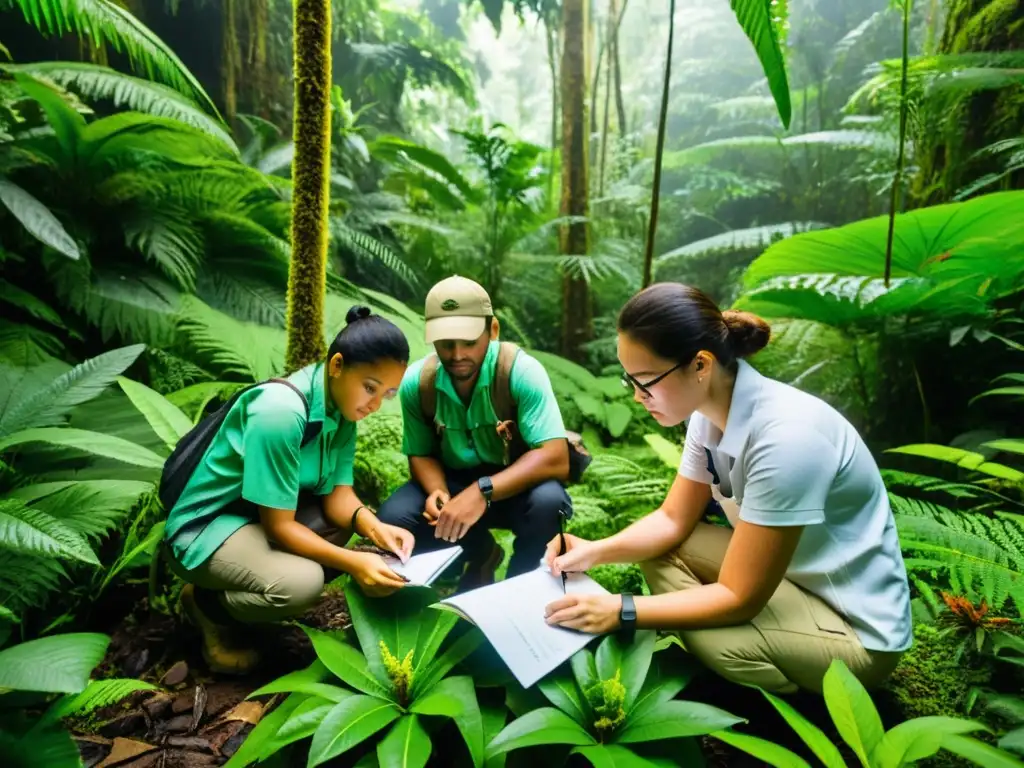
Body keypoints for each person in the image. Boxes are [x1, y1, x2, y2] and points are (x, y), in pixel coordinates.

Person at [542, 283, 913, 695]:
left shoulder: (787, 438)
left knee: (717, 642)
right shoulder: (706, 414)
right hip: (789, 580)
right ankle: (719, 625)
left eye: (647, 381)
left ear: (701, 365)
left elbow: (741, 597)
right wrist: (595, 551)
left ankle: (785, 708)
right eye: (630, 380)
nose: (636, 397)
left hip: (855, 629)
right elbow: (672, 520)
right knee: (663, 547)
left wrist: (622, 610)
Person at [163, 306, 416, 674]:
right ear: (337, 365)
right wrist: (356, 562)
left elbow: (338, 497)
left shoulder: (342, 410)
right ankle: (206, 607)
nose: (375, 404)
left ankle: (249, 596)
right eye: (370, 387)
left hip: (250, 518)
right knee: (303, 584)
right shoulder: (280, 412)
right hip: (204, 528)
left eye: (387, 394)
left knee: (340, 526)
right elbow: (279, 527)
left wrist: (376, 528)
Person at [376, 275, 572, 591]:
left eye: (469, 342)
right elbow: (421, 452)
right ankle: (478, 555)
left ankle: (521, 591)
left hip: (516, 485)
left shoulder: (521, 372)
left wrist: (482, 490)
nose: (456, 355)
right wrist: (437, 490)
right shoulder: (419, 383)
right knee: (395, 517)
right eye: (445, 343)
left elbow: (555, 457)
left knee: (549, 501)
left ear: (492, 331)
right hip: (454, 480)